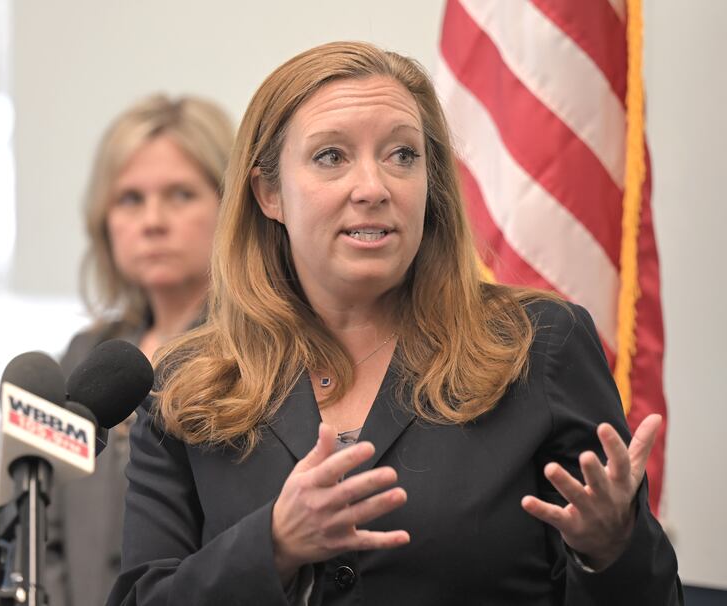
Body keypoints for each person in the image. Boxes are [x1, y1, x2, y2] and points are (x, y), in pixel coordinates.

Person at [107, 42, 682, 605]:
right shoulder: (189, 384)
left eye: (402, 155)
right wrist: (273, 545)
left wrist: (611, 550)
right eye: (331, 157)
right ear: (268, 193)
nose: (373, 188)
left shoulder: (538, 345)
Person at [44, 93, 234, 606]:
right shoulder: (84, 356)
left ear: (232, 206)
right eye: (130, 199)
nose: (153, 221)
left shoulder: (255, 358)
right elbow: (43, 533)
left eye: (181, 195)